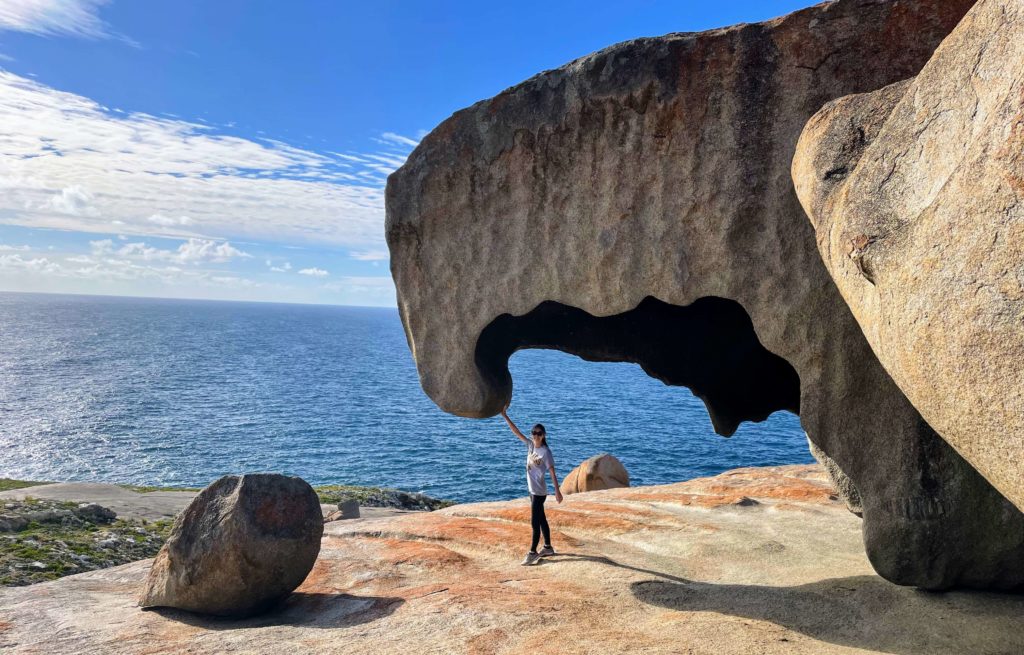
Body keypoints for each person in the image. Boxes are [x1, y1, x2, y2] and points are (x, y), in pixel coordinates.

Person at [500, 403, 563, 566]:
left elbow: (552, 472)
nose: (536, 436)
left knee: (534, 522)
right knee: (541, 519)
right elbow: (516, 432)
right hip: (531, 490)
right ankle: (548, 547)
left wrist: (558, 491)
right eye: (534, 433)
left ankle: (532, 552)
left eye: (539, 434)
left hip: (539, 493)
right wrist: (504, 415)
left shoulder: (546, 452)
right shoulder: (529, 445)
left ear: (543, 435)